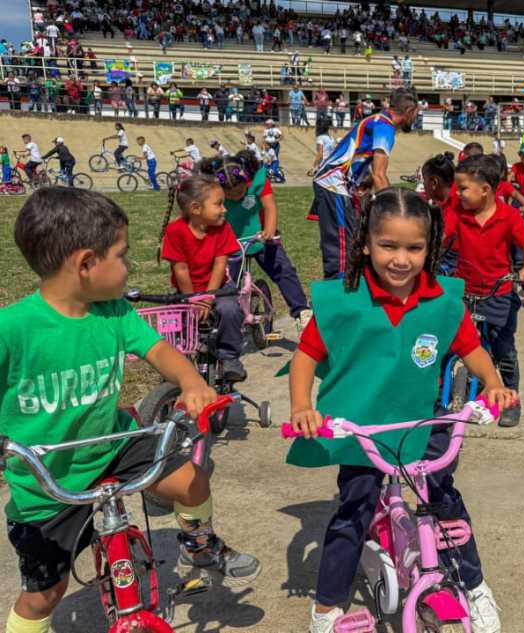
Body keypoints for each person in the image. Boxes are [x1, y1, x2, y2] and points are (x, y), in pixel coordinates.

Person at [0, 188, 260, 633]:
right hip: (46, 479)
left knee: (191, 480)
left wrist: (191, 380)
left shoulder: (113, 312)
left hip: (114, 445)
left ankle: (199, 544)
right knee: (43, 595)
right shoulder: (13, 329)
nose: (130, 266)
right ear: (85, 264)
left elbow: (160, 350)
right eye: (122, 256)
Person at [287, 188, 511, 633]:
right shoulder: (344, 300)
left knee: (446, 502)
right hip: (360, 425)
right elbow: (305, 355)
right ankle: (327, 608)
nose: (401, 259)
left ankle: (474, 584)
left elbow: (470, 347)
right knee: (353, 511)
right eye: (388, 245)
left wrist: (494, 383)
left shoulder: (443, 301)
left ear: (429, 249)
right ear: (366, 243)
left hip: (419, 421)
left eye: (414, 247)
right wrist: (301, 407)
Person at [444, 155, 524, 427]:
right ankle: (440, 397)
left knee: (504, 349)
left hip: (499, 292)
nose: (458, 194)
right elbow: (440, 239)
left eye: (463, 189)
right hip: (463, 290)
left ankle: (511, 399)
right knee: (452, 344)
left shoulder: (507, 216)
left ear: (485, 190)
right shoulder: (458, 214)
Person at [196, 151, 311, 330]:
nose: (235, 197)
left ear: (246, 181)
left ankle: (302, 311)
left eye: (240, 192)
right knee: (225, 283)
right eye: (230, 195)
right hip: (230, 240)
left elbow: (269, 206)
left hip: (261, 234)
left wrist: (269, 230)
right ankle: (220, 323)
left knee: (283, 269)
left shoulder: (257, 178)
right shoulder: (211, 187)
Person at [313, 87, 420, 279]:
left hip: (335, 184)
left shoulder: (376, 120)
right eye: (416, 114)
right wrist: (397, 210)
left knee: (350, 241)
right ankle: (337, 295)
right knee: (341, 251)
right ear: (410, 111)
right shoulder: (385, 128)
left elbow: (367, 166)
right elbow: (380, 175)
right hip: (334, 184)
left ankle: (345, 288)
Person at [159, 174, 246, 381]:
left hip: (217, 288)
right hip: (187, 291)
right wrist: (192, 301)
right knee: (172, 321)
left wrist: (206, 299)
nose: (225, 209)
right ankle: (177, 362)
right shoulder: (175, 231)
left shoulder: (222, 228)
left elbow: (220, 263)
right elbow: (180, 269)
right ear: (196, 209)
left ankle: (229, 357)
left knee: (230, 309)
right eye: (219, 204)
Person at [306, 120, 337, 221]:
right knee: (324, 187)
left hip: (323, 166)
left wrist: (313, 167)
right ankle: (315, 212)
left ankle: (319, 212)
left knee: (318, 186)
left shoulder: (320, 138)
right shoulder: (331, 138)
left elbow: (320, 153)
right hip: (330, 165)